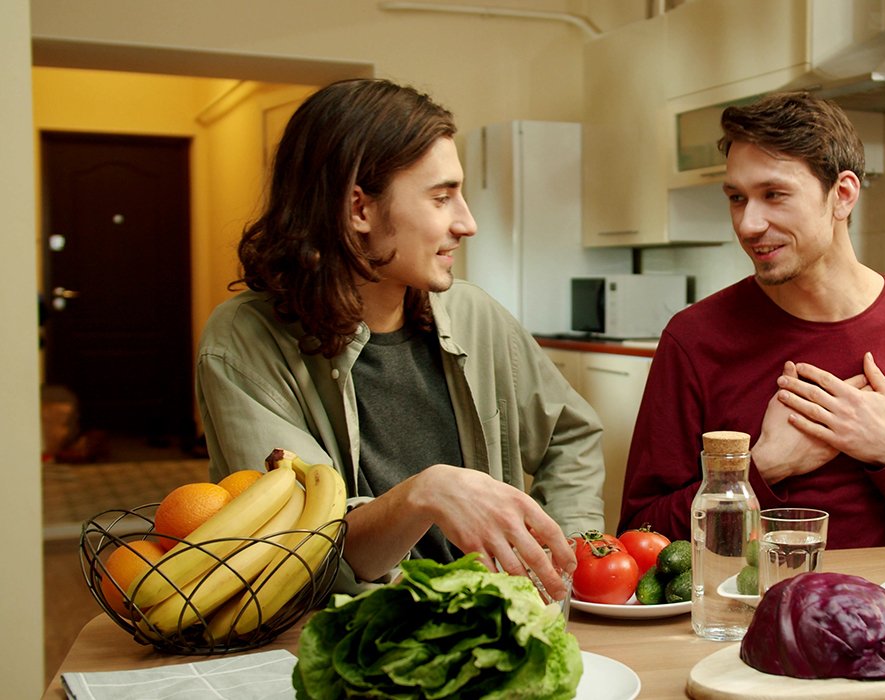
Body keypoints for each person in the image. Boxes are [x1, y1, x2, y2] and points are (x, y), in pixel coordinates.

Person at [196, 78, 605, 598]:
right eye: (442, 198)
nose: (468, 223)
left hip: (495, 625)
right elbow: (300, 552)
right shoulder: (242, 343)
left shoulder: (476, 315)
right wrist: (424, 494)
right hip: (347, 635)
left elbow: (570, 436)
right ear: (359, 210)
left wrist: (563, 554)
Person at [619, 92, 885, 548]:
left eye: (774, 195)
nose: (748, 224)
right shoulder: (694, 339)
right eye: (737, 198)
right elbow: (640, 532)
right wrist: (760, 468)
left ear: (842, 195)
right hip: (749, 595)